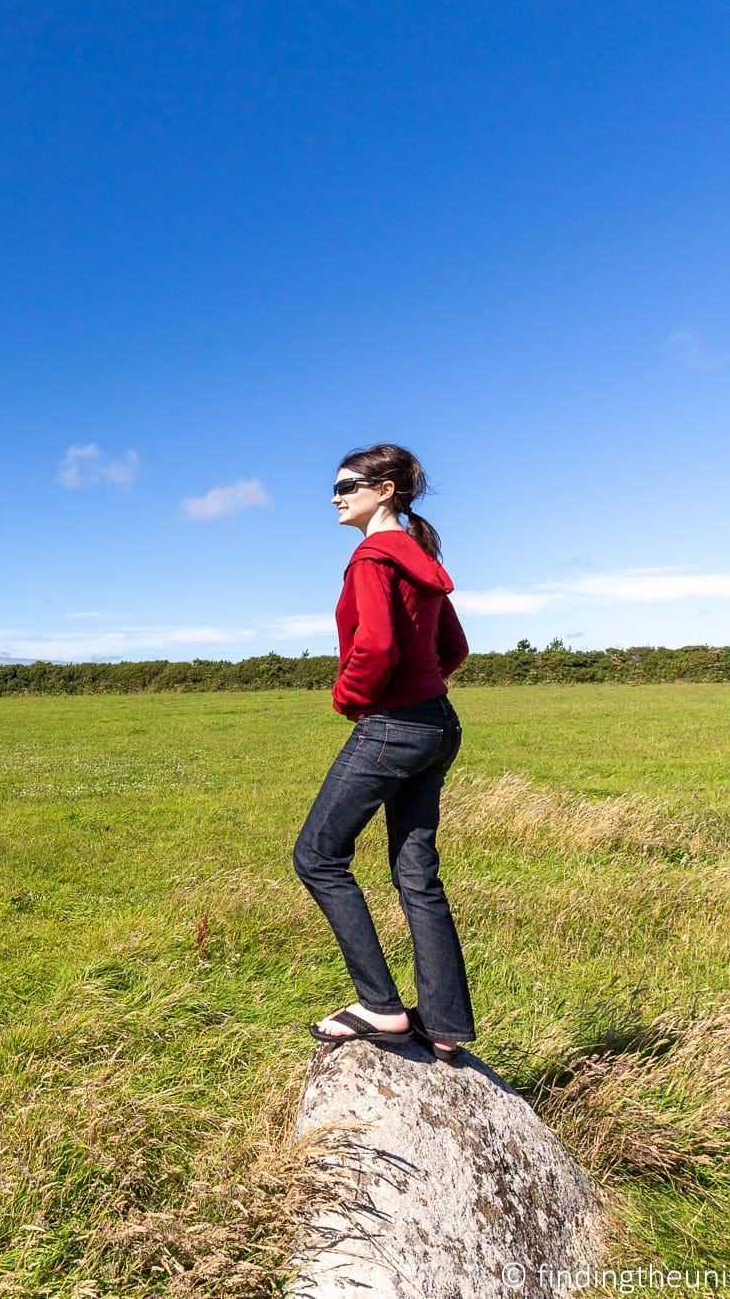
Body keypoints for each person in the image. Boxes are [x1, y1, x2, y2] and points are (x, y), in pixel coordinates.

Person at [296, 443, 474, 1062]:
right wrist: (426, 685)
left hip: (393, 726)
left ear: (388, 488)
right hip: (437, 723)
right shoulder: (419, 559)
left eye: (349, 483)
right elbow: (454, 643)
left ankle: (380, 1006)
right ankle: (446, 1024)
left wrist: (351, 698)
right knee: (415, 870)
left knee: (317, 856)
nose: (337, 494)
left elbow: (373, 647)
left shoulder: (371, 557)